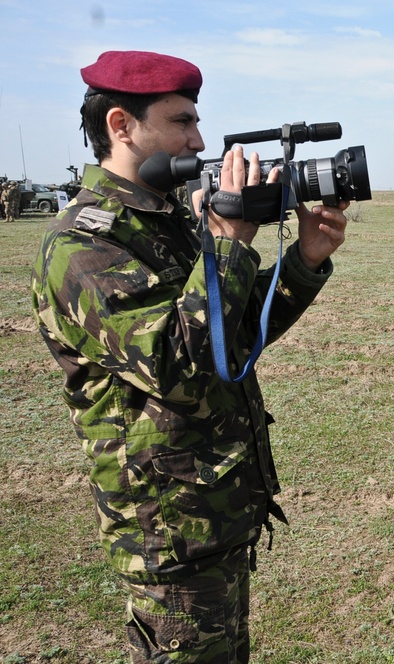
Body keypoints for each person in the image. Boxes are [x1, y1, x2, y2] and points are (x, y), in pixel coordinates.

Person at [30, 50, 349, 663]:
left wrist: (303, 261)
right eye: (182, 122)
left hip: (213, 511)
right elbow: (174, 365)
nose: (198, 139)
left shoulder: (166, 220)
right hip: (169, 527)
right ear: (121, 125)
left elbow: (230, 339)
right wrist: (228, 244)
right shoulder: (83, 243)